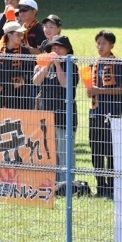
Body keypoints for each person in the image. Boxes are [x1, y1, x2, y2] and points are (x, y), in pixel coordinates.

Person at [85, 30, 122, 198]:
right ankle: (100, 185)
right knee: (96, 150)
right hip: (95, 113)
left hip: (111, 114)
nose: (100, 46)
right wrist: (91, 92)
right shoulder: (93, 65)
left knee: (110, 151)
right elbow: (92, 89)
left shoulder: (118, 64)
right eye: (98, 43)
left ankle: (112, 187)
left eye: (104, 43)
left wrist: (99, 91)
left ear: (111, 45)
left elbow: (121, 89)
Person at [32, 35, 79, 184]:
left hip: (64, 117)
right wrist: (46, 66)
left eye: (59, 48)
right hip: (46, 116)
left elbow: (66, 84)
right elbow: (36, 81)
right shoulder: (46, 65)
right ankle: (53, 182)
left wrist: (58, 65)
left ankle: (66, 184)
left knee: (64, 151)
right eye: (53, 48)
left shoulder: (71, 66)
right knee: (49, 151)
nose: (56, 51)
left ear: (67, 50)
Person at [0, 22, 34, 110]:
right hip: (3, 93)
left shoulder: (25, 51)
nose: (20, 37)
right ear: (10, 36)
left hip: (22, 94)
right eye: (18, 34)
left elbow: (29, 70)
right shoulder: (0, 52)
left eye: (21, 34)